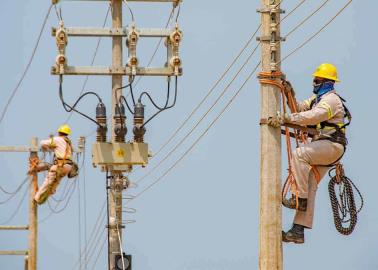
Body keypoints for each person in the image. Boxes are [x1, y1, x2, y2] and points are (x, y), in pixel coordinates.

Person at [268, 63, 351, 244]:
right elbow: (299, 110)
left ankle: (300, 198)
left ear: (328, 82)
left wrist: (287, 118)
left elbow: (314, 117)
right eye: (314, 80)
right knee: (310, 183)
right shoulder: (316, 100)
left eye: (318, 81)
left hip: (331, 145)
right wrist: (289, 93)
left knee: (300, 155)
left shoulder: (331, 101)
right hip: (324, 146)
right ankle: (298, 231)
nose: (314, 83)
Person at [34, 124, 77, 204]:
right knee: (56, 181)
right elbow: (62, 150)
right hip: (68, 167)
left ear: (59, 132)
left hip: (60, 165)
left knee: (48, 181)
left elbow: (42, 143)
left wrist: (50, 141)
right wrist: (54, 147)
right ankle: (48, 194)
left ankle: (37, 198)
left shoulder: (58, 139)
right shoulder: (68, 142)